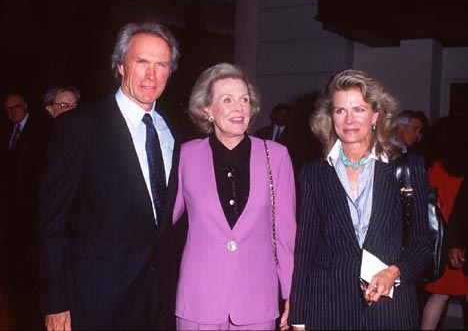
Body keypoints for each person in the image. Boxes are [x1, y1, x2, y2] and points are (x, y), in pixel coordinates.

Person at [37, 22, 181, 330]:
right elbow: (52, 224)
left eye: (162, 65)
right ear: (119, 65)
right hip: (97, 303)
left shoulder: (176, 132)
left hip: (162, 303)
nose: (151, 75)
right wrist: (55, 301)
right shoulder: (79, 127)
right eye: (141, 62)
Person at [289, 69, 433, 330]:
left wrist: (395, 272)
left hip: (391, 310)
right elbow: (305, 249)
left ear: (375, 115)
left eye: (359, 109)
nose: (349, 120)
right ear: (330, 117)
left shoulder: (407, 167)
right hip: (329, 308)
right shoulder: (314, 173)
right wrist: (298, 316)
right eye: (340, 110)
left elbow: (422, 243)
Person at [173, 63, 296, 330]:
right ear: (207, 109)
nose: (239, 108)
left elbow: (285, 232)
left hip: (257, 302)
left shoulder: (276, 156)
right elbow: (161, 223)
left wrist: (290, 291)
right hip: (198, 301)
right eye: (227, 100)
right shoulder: (184, 156)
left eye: (244, 100)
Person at [0, 92, 50, 330]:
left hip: (34, 212)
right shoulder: (9, 132)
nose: (12, 113)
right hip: (15, 214)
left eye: (16, 107)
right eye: (8, 109)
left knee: (33, 272)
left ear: (26, 106)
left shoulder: (40, 131)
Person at [420, 115, 468, 330]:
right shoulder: (462, 167)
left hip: (439, 234)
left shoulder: (433, 163)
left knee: (439, 293)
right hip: (460, 234)